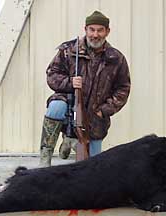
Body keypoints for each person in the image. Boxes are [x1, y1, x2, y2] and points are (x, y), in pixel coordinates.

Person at [39, 10, 131, 167]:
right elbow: (51, 75)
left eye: (100, 30)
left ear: (107, 31)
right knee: (55, 106)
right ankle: (44, 160)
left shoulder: (116, 58)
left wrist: (103, 110)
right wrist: (69, 82)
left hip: (95, 118)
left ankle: (70, 141)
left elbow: (123, 89)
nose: (95, 35)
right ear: (85, 29)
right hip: (67, 107)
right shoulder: (68, 50)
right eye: (92, 29)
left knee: (92, 167)